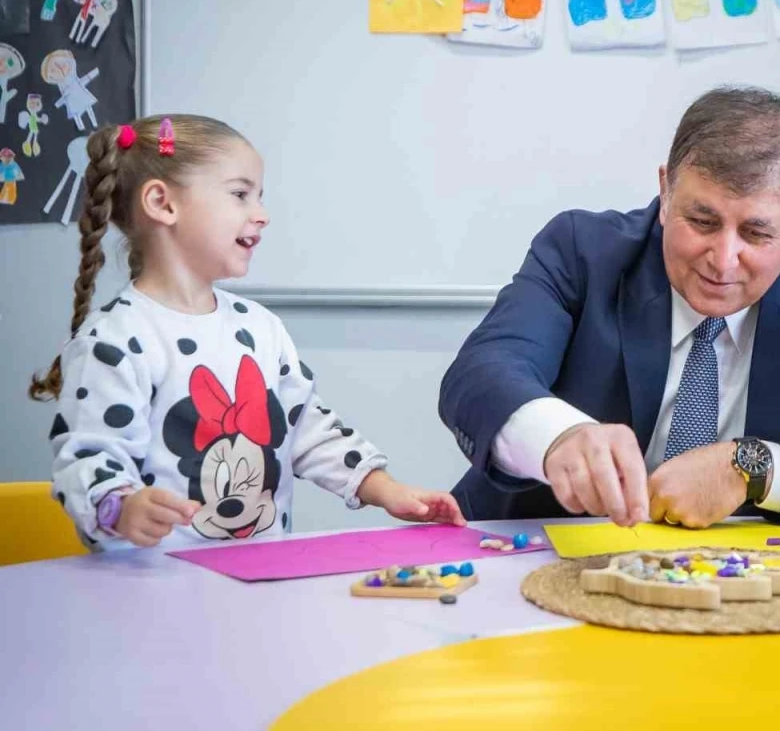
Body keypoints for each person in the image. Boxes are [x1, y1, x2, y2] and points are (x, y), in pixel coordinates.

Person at [440, 86, 780, 528]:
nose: (723, 260)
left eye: (757, 234)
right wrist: (560, 437)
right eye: (702, 221)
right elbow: (482, 373)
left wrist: (753, 468)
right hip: (525, 546)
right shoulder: (582, 252)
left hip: (726, 575)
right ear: (666, 192)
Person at [31, 115, 463, 549]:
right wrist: (120, 507)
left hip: (256, 575)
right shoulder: (113, 340)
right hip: (151, 581)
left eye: (259, 197)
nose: (262, 215)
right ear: (163, 203)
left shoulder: (260, 327)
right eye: (240, 195)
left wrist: (387, 490)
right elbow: (88, 456)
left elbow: (307, 429)